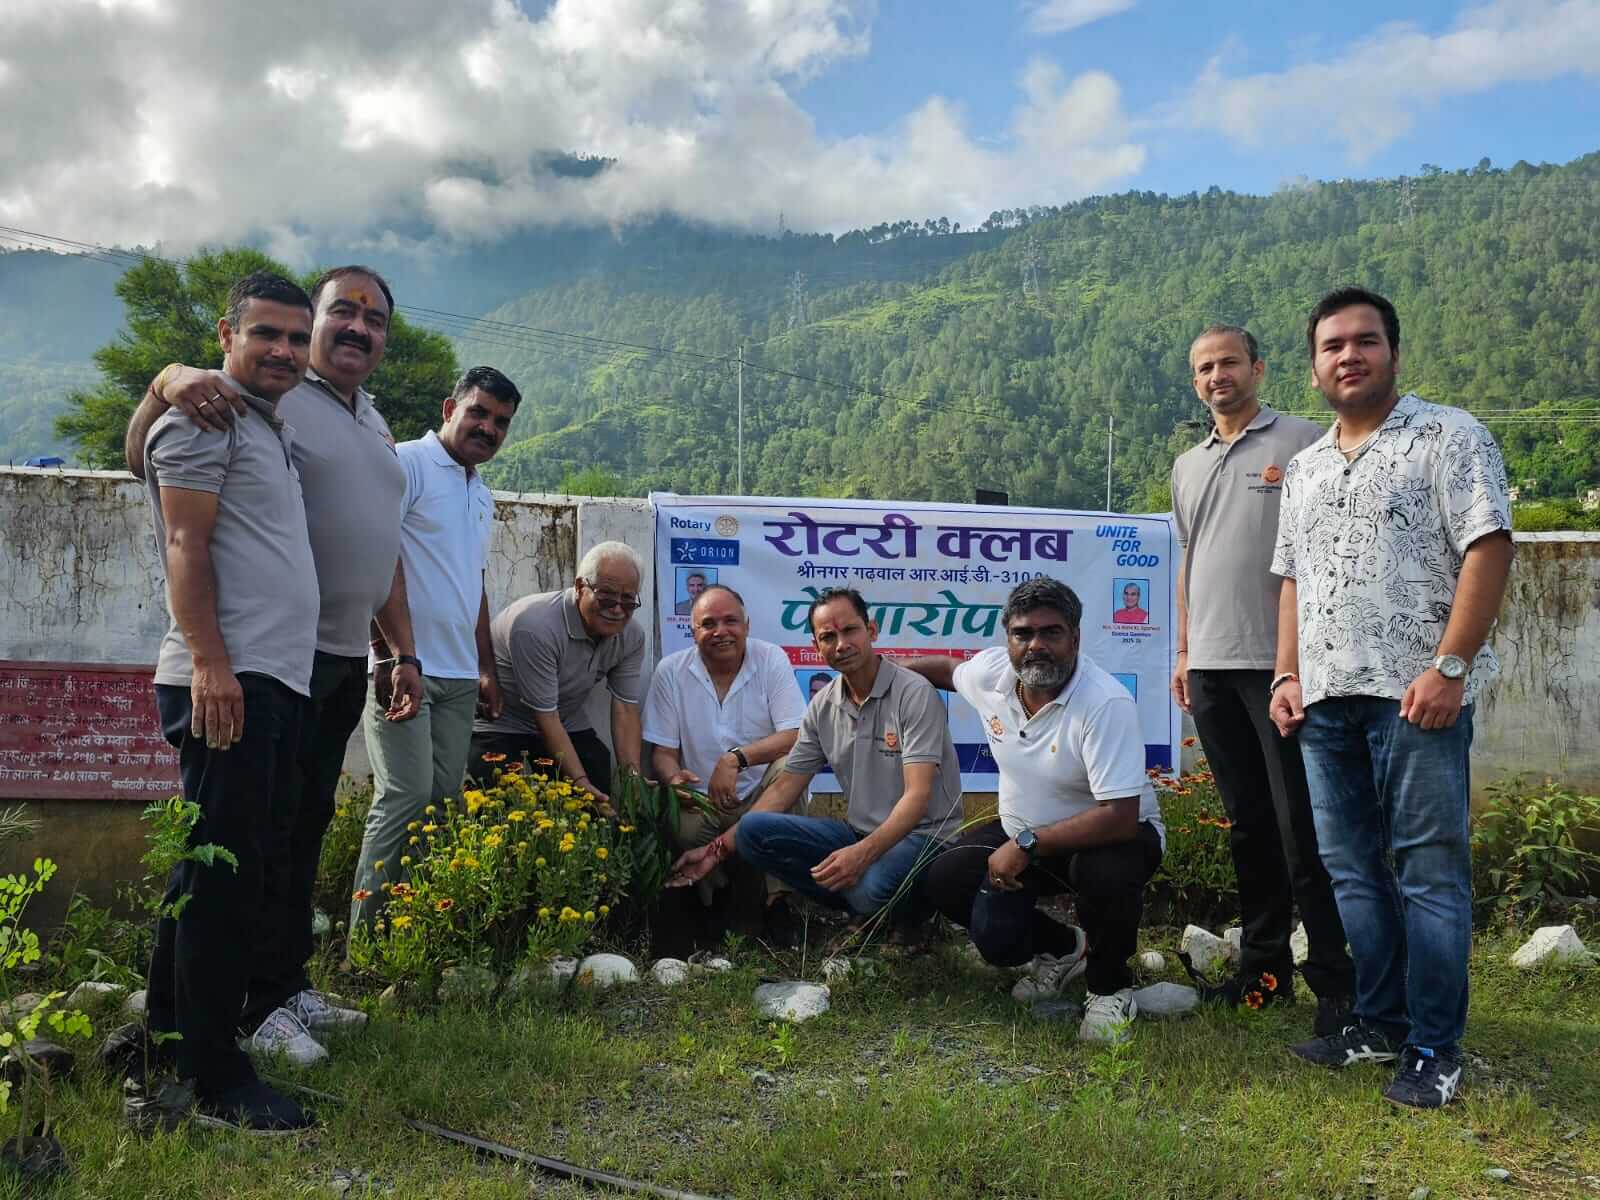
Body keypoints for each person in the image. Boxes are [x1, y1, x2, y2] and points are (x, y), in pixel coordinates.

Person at [125, 265, 416, 1051]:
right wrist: (164, 380)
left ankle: (282, 984)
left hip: (335, 655)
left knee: (301, 825)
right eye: (342, 312)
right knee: (252, 841)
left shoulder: (355, 419)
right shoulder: (255, 399)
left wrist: (399, 651)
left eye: (375, 320)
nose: (358, 328)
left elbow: (381, 545)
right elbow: (149, 465)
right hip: (268, 658)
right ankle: (236, 1017)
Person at [1270, 287, 1514, 1109]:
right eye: (1332, 345)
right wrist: (1285, 674)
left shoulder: (1449, 436)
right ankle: (1379, 1021)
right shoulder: (1305, 467)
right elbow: (1293, 579)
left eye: (1365, 341)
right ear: (1314, 369)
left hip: (1417, 697)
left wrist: (1451, 667)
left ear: (1394, 353)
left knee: (1428, 872)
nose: (1349, 355)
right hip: (1324, 701)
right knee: (1351, 871)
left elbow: (1488, 546)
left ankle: (1436, 1046)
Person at [137, 272, 321, 1132]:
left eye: (296, 337)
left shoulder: (260, 423)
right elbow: (184, 540)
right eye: (266, 334)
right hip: (228, 678)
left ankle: (167, 1038)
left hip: (266, 677)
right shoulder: (203, 416)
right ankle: (213, 1075)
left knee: (210, 868)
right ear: (226, 334)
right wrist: (213, 664)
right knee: (225, 882)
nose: (284, 350)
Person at [1169, 324, 1355, 1035]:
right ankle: (1264, 975)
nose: (1217, 376)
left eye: (1229, 363)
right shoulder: (1188, 464)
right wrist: (1185, 653)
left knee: (1301, 826)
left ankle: (1336, 983)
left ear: (1258, 368)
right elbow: (1190, 562)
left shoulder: (1304, 441)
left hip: (1281, 671)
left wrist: (1294, 666)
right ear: (1196, 382)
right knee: (1249, 827)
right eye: (1204, 368)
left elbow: (1325, 557)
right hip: (1211, 669)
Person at [907, 578, 1164, 1044]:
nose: (1036, 646)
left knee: (1102, 873)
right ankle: (1064, 949)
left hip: (1115, 837)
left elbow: (1119, 816)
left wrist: (1027, 844)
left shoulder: (1104, 702)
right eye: (1023, 634)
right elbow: (946, 670)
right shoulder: (992, 676)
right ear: (1008, 638)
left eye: (1051, 633)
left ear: (1076, 638)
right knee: (947, 878)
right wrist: (880, 672)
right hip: (1028, 837)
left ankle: (1110, 987)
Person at [667, 588, 962, 932]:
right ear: (816, 646)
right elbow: (785, 788)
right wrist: (714, 852)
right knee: (751, 831)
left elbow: (918, 797)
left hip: (923, 836)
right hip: (860, 834)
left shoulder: (913, 693)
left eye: (850, 631)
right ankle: (867, 906)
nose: (841, 644)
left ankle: (909, 916)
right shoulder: (823, 706)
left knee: (867, 889)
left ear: (871, 630)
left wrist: (862, 855)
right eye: (828, 637)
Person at [349, 366, 520, 931]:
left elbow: (473, 582)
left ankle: (415, 932)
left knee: (443, 804)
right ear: (450, 409)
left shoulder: (481, 493)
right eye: (478, 412)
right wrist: (389, 654)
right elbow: (376, 556)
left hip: (458, 676)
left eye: (501, 422)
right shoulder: (407, 464)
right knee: (405, 797)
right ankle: (366, 943)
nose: (488, 428)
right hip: (406, 670)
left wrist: (486, 668)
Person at [642, 583, 807, 943]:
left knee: (791, 767)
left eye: (730, 621)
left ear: (747, 625)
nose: (721, 631)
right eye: (708, 624)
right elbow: (663, 753)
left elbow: (796, 734)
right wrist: (674, 780)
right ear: (693, 631)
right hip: (702, 800)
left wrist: (735, 759)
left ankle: (778, 904)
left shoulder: (771, 659)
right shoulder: (671, 671)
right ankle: (710, 899)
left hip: (760, 795)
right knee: (682, 828)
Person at [471, 541, 647, 805]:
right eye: (607, 596)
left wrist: (633, 779)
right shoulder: (536, 626)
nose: (617, 609)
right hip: (503, 720)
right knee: (496, 798)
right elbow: (545, 716)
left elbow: (625, 708)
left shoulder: (631, 635)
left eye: (628, 601)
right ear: (579, 587)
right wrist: (580, 783)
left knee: (597, 769)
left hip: (565, 719)